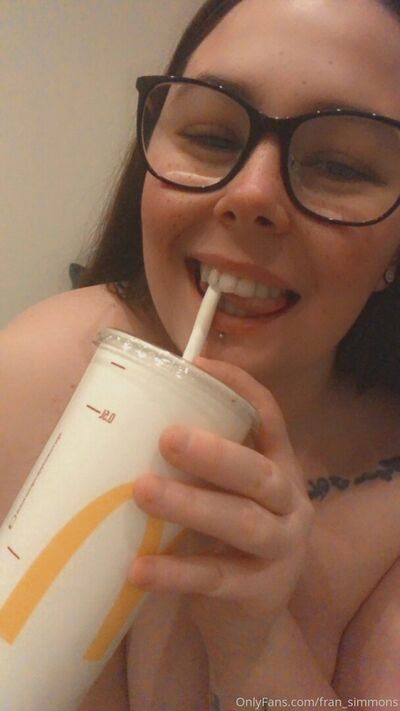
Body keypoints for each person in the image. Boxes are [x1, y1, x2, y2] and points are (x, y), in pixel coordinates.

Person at [1, 0, 400, 707]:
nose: (252, 195)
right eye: (212, 135)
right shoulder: (30, 377)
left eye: (337, 165)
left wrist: (259, 648)